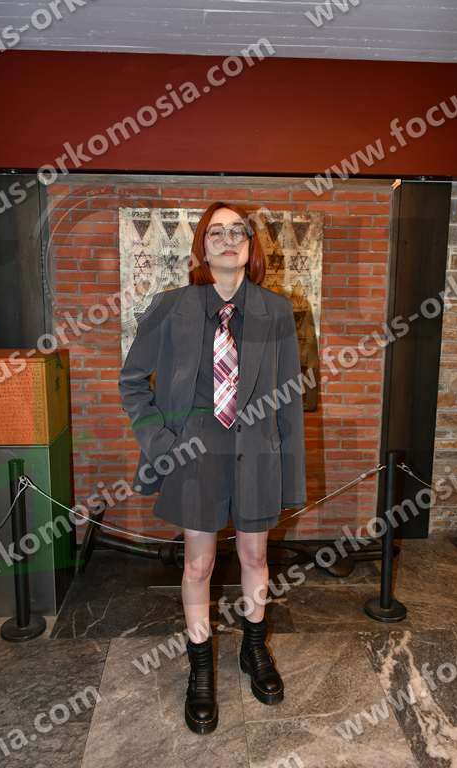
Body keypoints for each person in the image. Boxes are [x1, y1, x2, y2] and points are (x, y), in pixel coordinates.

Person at [119, 201, 307, 735]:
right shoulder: (170, 307)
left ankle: (254, 649)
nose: (228, 240)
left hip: (257, 453)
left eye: (238, 232)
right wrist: (161, 442)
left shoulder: (276, 311)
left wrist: (289, 471)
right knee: (198, 565)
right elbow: (132, 382)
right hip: (193, 454)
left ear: (250, 246)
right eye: (216, 232)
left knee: (255, 555)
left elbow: (289, 399)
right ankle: (200, 668)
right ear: (202, 245)